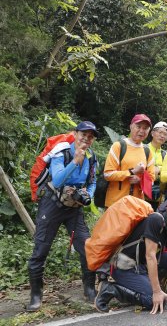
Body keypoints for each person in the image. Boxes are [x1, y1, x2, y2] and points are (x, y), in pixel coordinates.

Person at [27, 121, 99, 311]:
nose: (86, 138)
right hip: (52, 204)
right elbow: (58, 179)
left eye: (90, 136)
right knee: (41, 248)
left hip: (74, 208)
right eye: (83, 134)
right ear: (75, 134)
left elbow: (92, 182)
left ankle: (89, 289)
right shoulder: (62, 152)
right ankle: (36, 295)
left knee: (86, 247)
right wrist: (75, 160)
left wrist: (88, 196)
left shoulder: (92, 158)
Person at [104, 114, 155, 207]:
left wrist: (140, 180)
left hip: (136, 206)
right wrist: (132, 172)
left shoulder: (148, 151)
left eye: (145, 128)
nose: (142, 131)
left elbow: (151, 180)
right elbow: (107, 174)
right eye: (138, 127)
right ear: (131, 126)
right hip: (116, 203)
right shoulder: (118, 146)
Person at [147, 121, 167, 209]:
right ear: (152, 133)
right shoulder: (143, 148)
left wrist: (159, 169)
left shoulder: (166, 155)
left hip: (156, 196)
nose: (162, 136)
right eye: (160, 132)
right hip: (140, 193)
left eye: (165, 134)